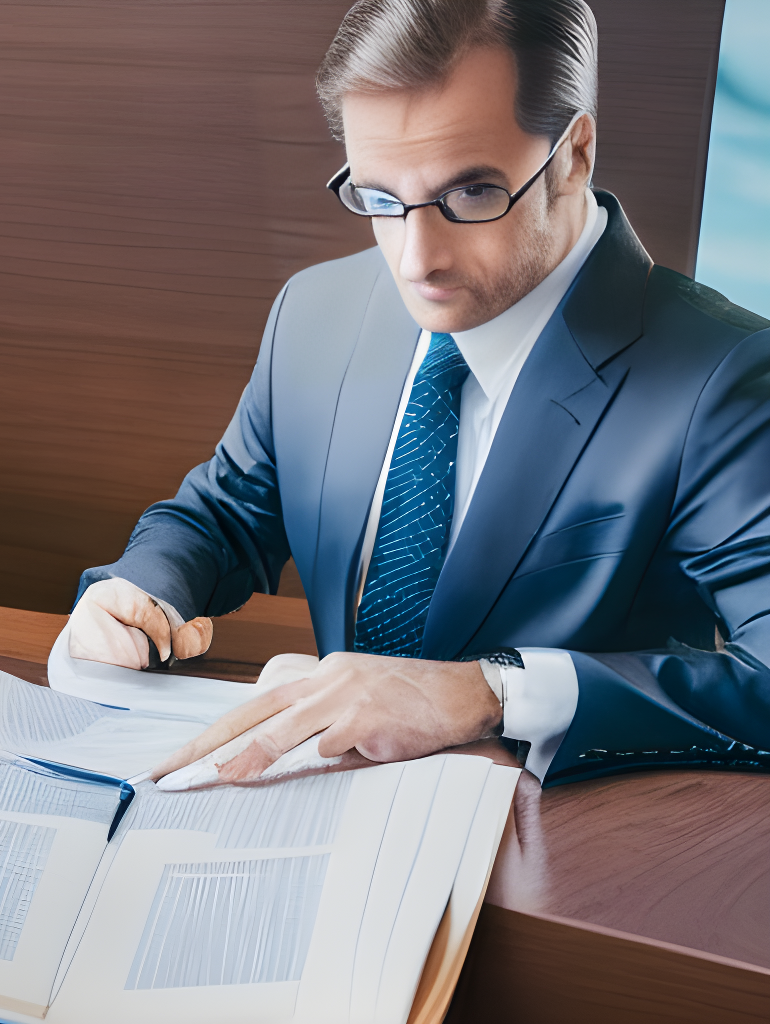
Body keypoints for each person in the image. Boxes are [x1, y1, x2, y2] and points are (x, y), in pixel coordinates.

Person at [68, 0, 770, 787]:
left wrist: (491, 691)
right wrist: (146, 587)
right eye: (378, 198)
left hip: (560, 852)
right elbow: (226, 515)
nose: (414, 260)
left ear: (574, 154)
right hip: (308, 813)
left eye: (470, 195)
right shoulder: (315, 312)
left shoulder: (727, 375)